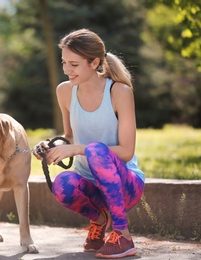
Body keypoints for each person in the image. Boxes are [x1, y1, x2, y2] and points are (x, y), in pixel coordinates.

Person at [33, 28, 145, 259]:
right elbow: (71, 135)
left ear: (94, 63)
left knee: (95, 149)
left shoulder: (119, 91)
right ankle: (99, 220)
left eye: (74, 64)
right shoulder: (64, 91)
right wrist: (52, 146)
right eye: (64, 62)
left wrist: (77, 148)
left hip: (125, 187)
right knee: (62, 184)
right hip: (91, 187)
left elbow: (126, 151)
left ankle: (122, 235)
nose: (66, 70)